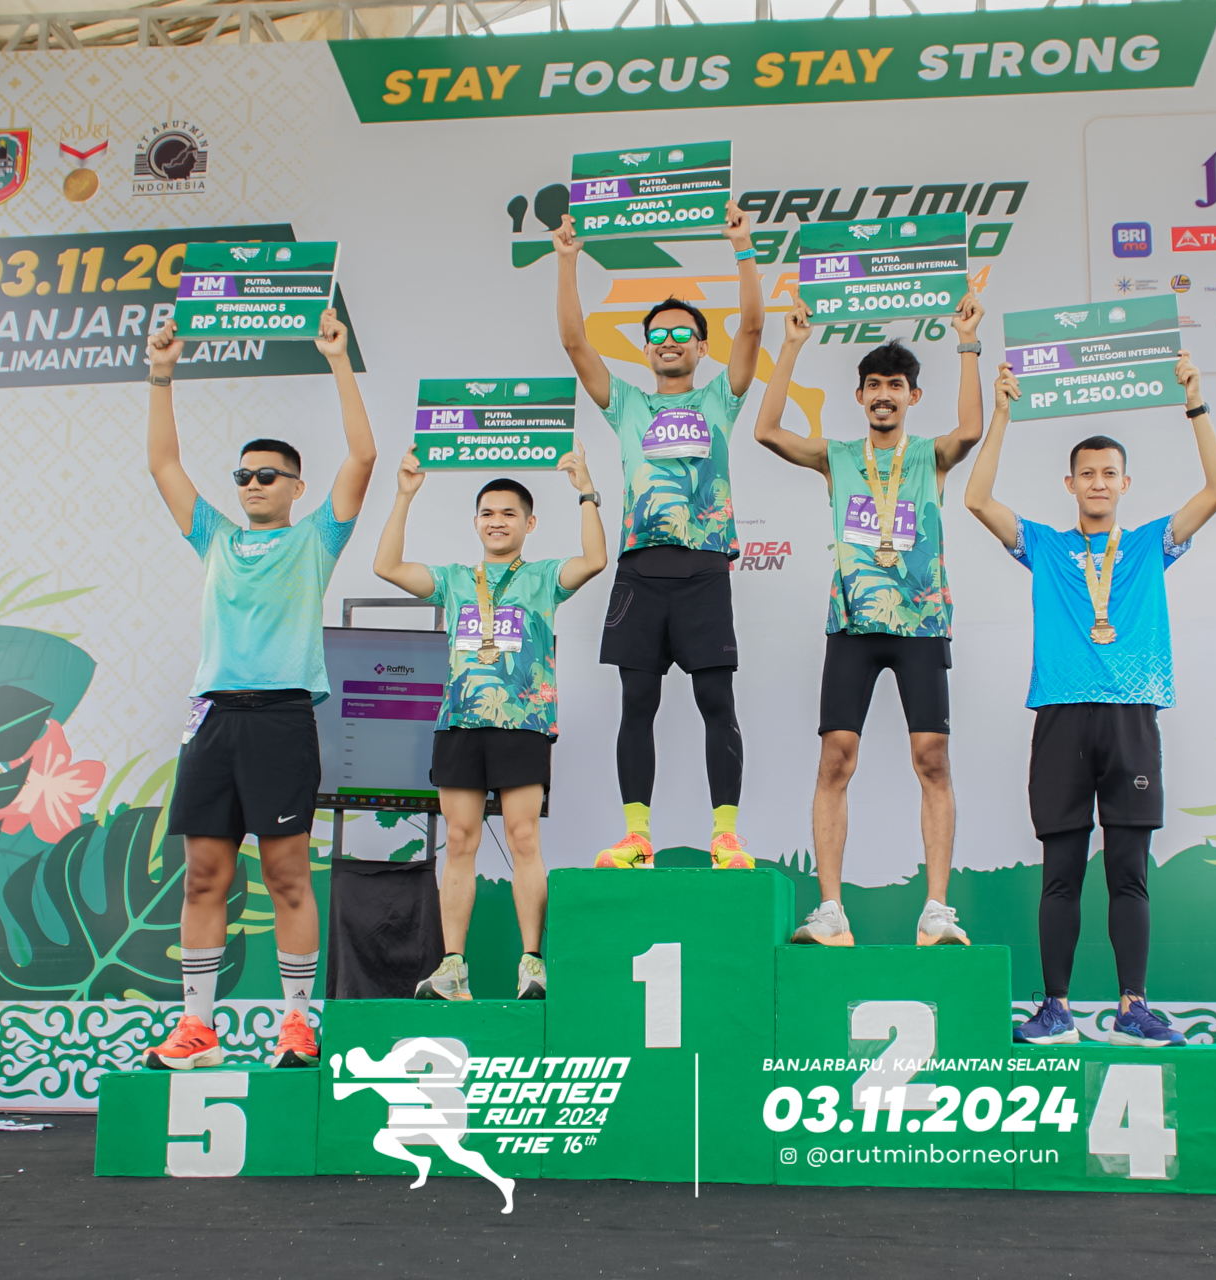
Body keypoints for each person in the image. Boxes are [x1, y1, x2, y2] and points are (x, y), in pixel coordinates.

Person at [963, 351, 1216, 1047]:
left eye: (1109, 473)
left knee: (1127, 873)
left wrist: (1194, 401)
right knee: (1059, 873)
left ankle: (1132, 1007)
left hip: (1131, 718)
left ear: (1124, 483)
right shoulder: (1045, 546)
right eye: (1086, 473)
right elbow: (976, 501)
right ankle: (1055, 1008)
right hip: (1060, 716)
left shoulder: (1149, 545)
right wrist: (1001, 415)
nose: (1098, 483)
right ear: (1070, 483)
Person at [139, 310, 377, 1070]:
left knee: (285, 876)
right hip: (213, 720)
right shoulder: (214, 536)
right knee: (204, 876)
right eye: (242, 475)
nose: (251, 484)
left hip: (281, 719)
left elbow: (363, 455)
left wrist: (337, 359)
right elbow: (163, 464)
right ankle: (197, 1028)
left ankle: (297, 1025)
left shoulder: (316, 538)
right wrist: (162, 373)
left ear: (295, 486)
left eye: (266, 475)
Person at [755, 297, 990, 946]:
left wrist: (967, 341)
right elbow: (767, 431)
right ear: (859, 396)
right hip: (852, 625)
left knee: (931, 757)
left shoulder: (931, 456)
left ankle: (936, 910)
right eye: (874, 385)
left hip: (921, 624)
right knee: (836, 757)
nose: (884, 395)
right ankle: (831, 910)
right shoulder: (837, 457)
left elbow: (971, 429)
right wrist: (791, 346)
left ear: (913, 396)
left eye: (895, 385)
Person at [553, 206, 764, 870]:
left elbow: (753, 327)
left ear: (701, 348)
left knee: (715, 701)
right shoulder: (627, 405)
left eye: (682, 333)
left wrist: (742, 248)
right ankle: (636, 837)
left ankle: (725, 836)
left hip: (703, 570)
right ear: (646, 349)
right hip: (639, 573)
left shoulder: (720, 400)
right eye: (657, 335)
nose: (668, 341)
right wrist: (566, 260)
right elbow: (574, 343)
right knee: (637, 703)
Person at [371, 443, 608, 1001]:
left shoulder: (544, 577)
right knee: (459, 839)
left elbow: (595, 560)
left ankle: (532, 962)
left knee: (524, 837)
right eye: (486, 513)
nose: (496, 521)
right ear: (475, 522)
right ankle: (453, 966)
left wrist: (586, 492)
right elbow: (386, 567)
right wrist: (404, 496)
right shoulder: (455, 580)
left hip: (523, 723)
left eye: (508, 513)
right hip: (459, 723)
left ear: (529, 523)